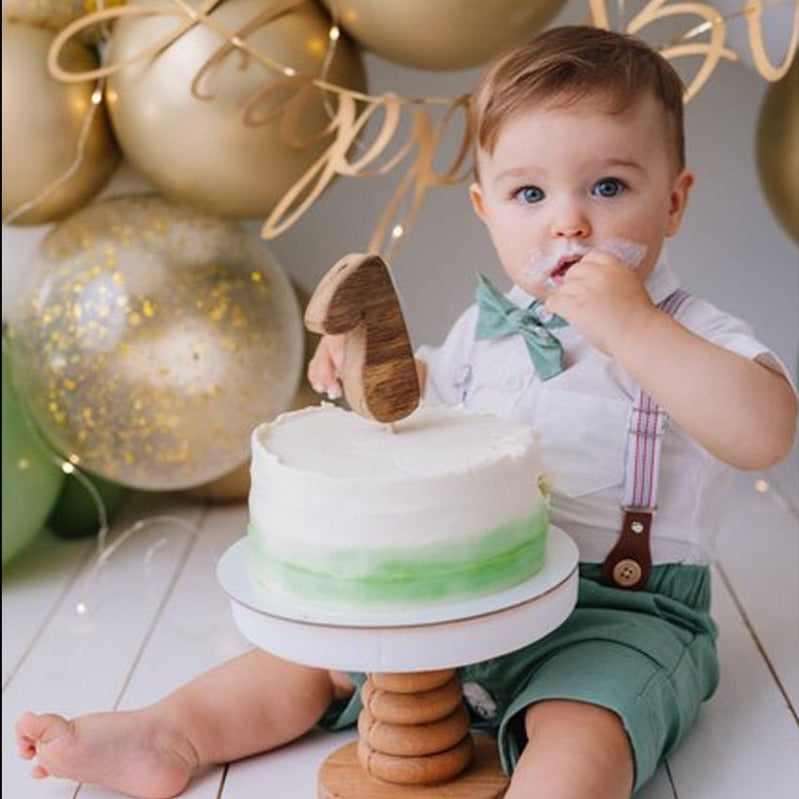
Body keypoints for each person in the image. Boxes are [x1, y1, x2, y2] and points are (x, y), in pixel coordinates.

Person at [15, 25, 797, 799]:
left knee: (581, 724)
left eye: (607, 187)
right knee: (312, 661)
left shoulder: (690, 330)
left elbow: (763, 431)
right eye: (530, 193)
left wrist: (636, 328)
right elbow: (426, 423)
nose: (568, 222)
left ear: (673, 201)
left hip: (619, 610)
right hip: (462, 597)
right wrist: (370, 374)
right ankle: (169, 731)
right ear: (486, 209)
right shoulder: (483, 329)